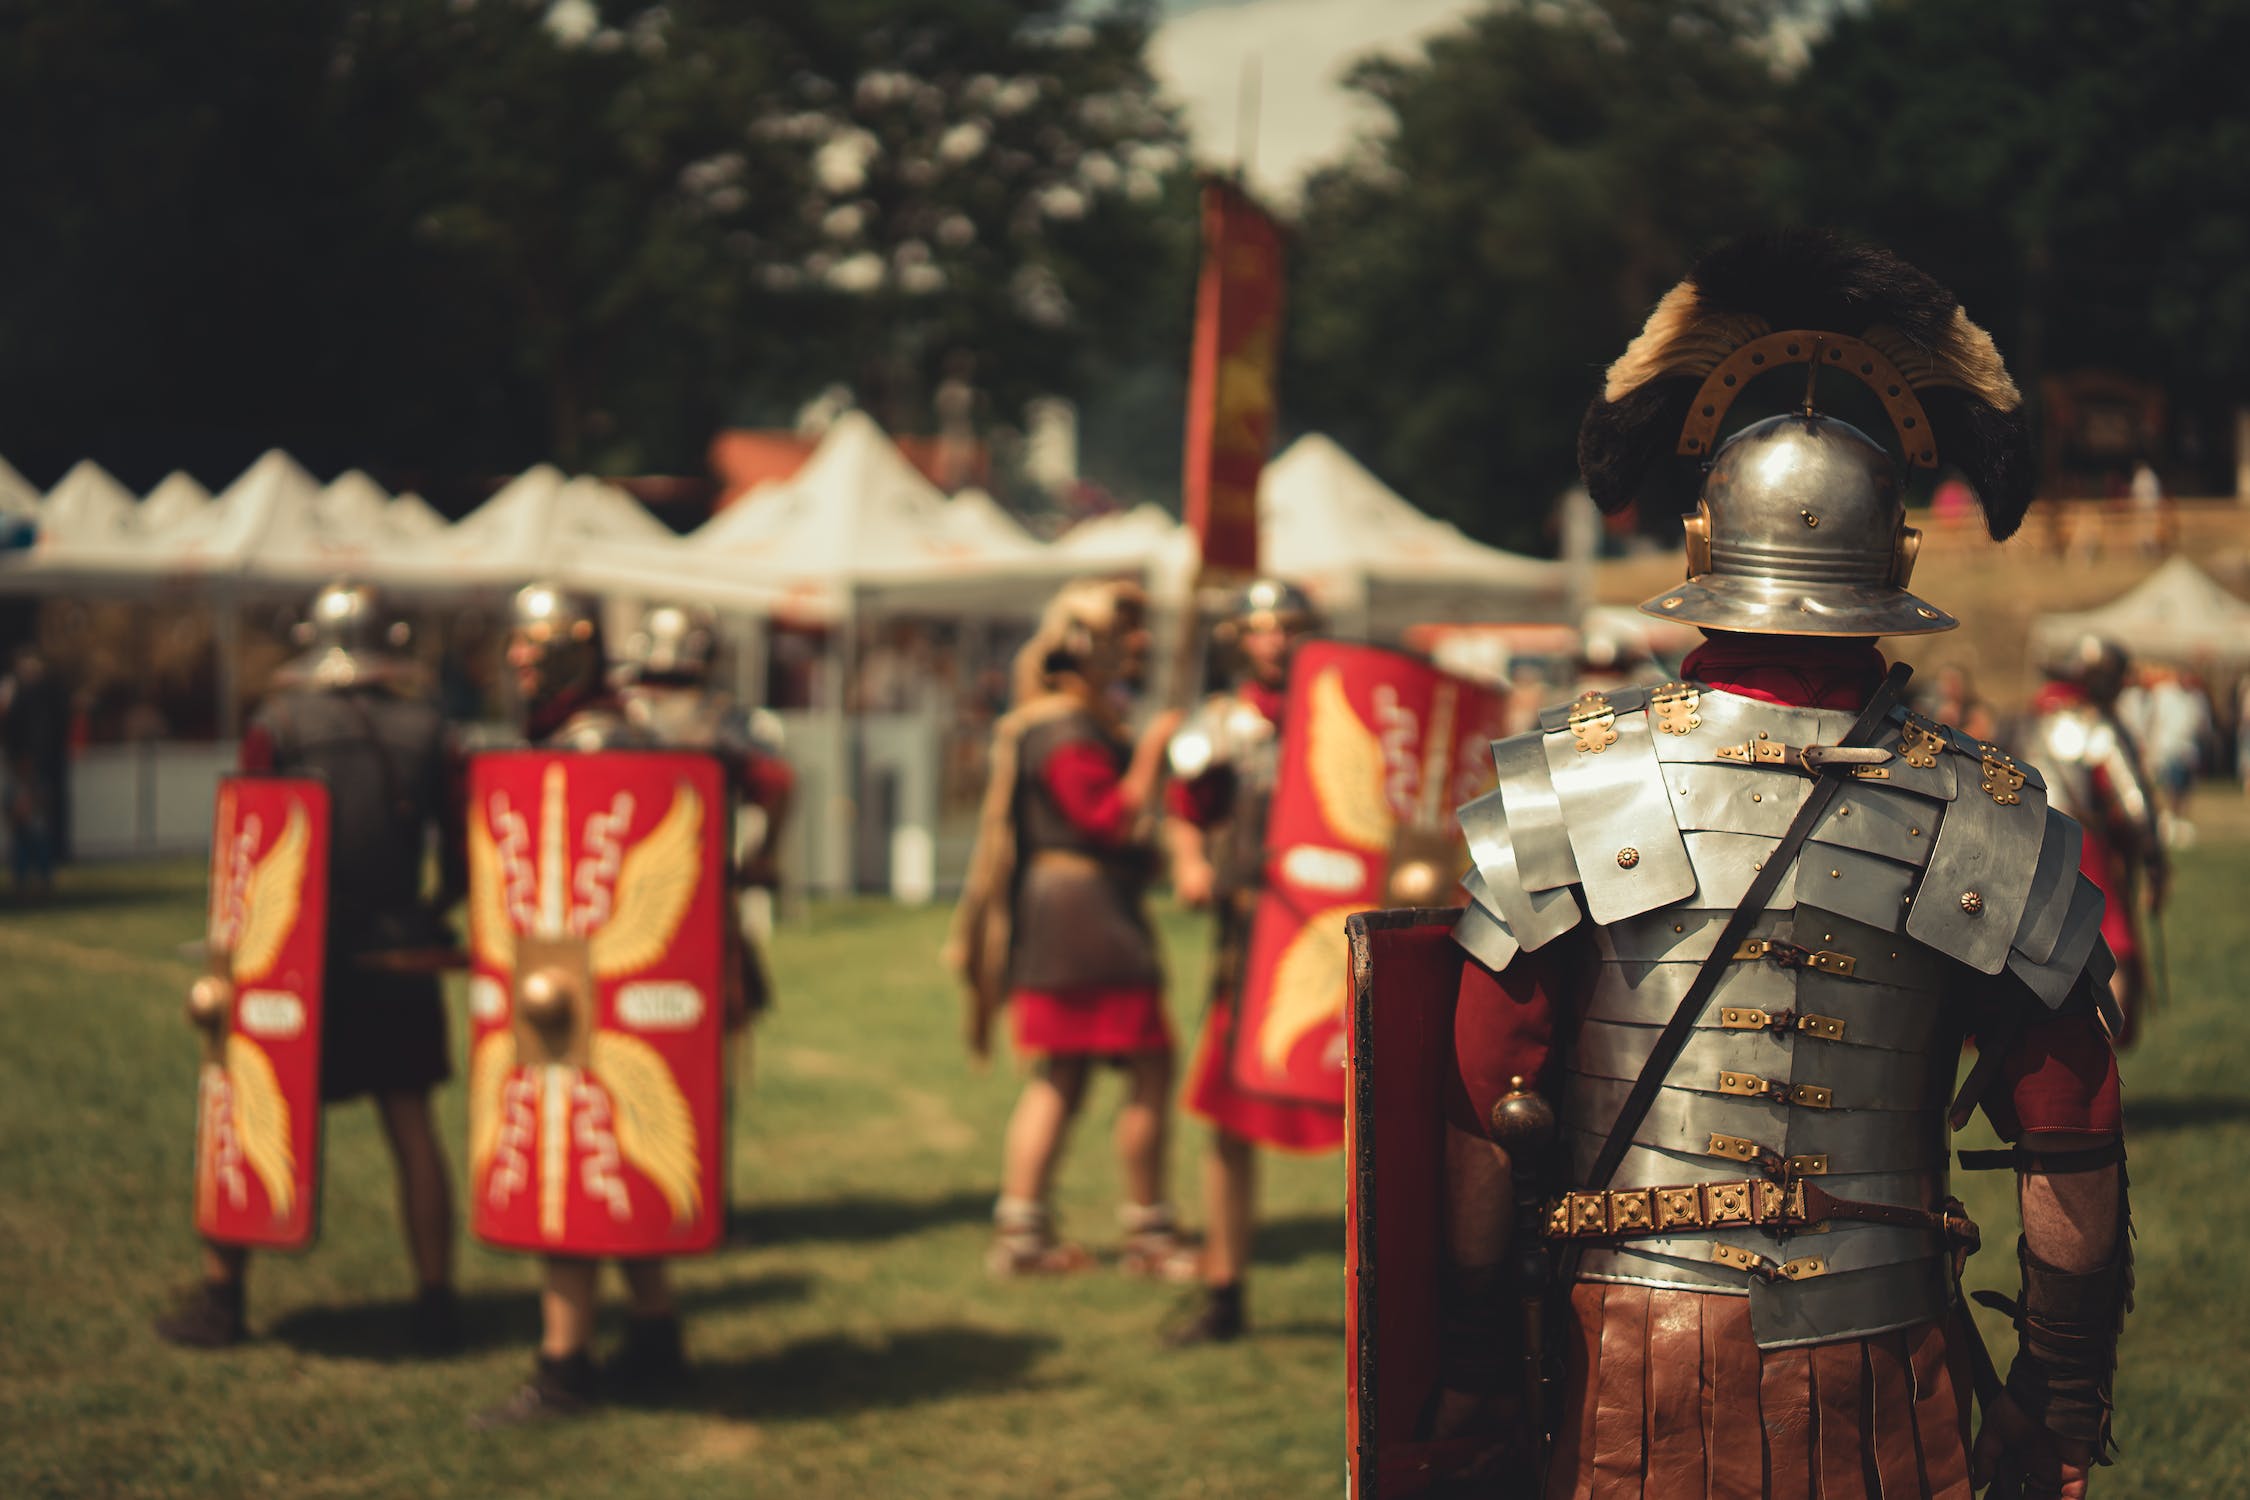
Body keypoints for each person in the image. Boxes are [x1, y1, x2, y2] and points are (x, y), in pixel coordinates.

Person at [1399, 233, 2129, 1498]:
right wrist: (2056, 1403)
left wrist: (1470, 1369)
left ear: (1699, 552)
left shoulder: (1570, 791)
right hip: (1886, 1376)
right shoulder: (1993, 815)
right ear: (1896, 563)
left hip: (1620, 1372)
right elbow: (2073, 1136)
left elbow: (1479, 1113)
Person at [156, 581, 464, 1352]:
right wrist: (430, 909)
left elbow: (253, 855)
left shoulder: (279, 722)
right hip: (396, 947)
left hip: (295, 958)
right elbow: (467, 854)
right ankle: (436, 1303)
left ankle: (222, 1298)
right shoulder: (431, 728)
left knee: (249, 1106)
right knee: (410, 1122)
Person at [473, 582, 694, 1427]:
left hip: (584, 996)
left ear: (573, 645)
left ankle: (565, 1368)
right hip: (581, 988)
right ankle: (656, 1336)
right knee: (618, 1159)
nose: (518, 659)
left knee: (569, 1171)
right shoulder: (603, 732)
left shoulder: (595, 744)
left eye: (533, 644)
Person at [946, 579, 1187, 1276]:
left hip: (1074, 917)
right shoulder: (1061, 727)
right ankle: (1149, 1233)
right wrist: (1151, 754)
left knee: (1065, 1075)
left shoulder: (1065, 721)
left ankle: (1022, 1233)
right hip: (1085, 922)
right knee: (1145, 1066)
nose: (1131, 652)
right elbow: (1105, 817)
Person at [1160, 577, 1343, 1343]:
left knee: (1371, 1115)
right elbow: (1185, 813)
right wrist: (1190, 864)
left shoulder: (1340, 713)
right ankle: (1224, 1288)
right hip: (1250, 938)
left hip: (1336, 937)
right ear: (1239, 640)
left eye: (1289, 626)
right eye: (1262, 629)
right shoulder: (1221, 725)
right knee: (1228, 1121)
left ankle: (1395, 1293)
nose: (1275, 641)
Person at [617, 602, 795, 1053]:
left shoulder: (716, 726)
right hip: (636, 904)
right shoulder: (622, 721)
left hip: (692, 902)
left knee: (697, 1050)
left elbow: (777, 784)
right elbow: (779, 784)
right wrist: (763, 856)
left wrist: (759, 857)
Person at [2024, 635, 2168, 1046]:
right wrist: (2153, 855)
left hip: (2033, 842)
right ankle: (2103, 1049)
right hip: (2086, 847)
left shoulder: (2036, 715)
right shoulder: (2096, 723)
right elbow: (2133, 798)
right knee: (2114, 945)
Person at [1, 647, 67, 894]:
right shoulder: (14, 693)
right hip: (20, 765)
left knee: (37, 825)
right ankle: (22, 877)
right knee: (21, 824)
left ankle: (42, 876)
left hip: (34, 766)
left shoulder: (42, 697)